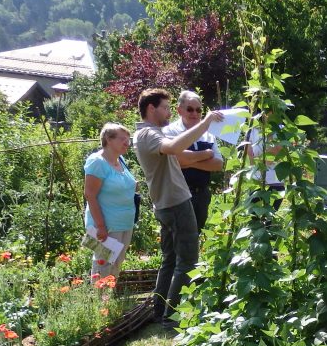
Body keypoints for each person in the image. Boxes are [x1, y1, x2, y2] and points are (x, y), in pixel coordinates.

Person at [133, 88, 223, 327]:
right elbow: (174, 148)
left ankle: (160, 310)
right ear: (151, 108)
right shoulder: (148, 135)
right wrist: (205, 123)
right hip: (175, 202)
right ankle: (172, 318)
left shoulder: (151, 133)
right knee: (188, 261)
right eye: (165, 107)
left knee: (171, 259)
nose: (169, 112)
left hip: (167, 202)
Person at [164, 90, 224, 231]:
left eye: (198, 110)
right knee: (177, 239)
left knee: (195, 236)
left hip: (201, 194)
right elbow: (176, 160)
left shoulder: (208, 134)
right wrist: (206, 154)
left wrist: (188, 161)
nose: (195, 114)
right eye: (190, 109)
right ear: (179, 110)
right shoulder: (170, 131)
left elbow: (218, 164)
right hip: (178, 195)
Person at [83, 123, 136, 280]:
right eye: (123, 139)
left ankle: (108, 300)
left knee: (116, 265)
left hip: (124, 223)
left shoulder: (120, 160)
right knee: (103, 264)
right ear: (108, 139)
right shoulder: (97, 162)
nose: (127, 143)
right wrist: (100, 227)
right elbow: (90, 195)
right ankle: (99, 302)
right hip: (106, 226)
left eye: (128, 139)